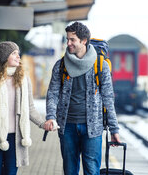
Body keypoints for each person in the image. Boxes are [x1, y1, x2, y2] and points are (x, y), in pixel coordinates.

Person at [44, 22, 121, 175]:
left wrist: (114, 129)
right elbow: (52, 93)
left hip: (92, 128)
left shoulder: (100, 66)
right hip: (67, 127)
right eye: (67, 39)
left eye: (72, 39)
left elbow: (108, 98)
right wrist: (51, 117)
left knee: (92, 171)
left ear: (84, 40)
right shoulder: (61, 66)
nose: (68, 43)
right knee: (70, 171)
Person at [0, 41, 46, 175]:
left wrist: (43, 123)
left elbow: (30, 108)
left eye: (18, 53)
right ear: (4, 57)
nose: (18, 56)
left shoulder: (23, 80)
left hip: (16, 139)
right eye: (14, 53)